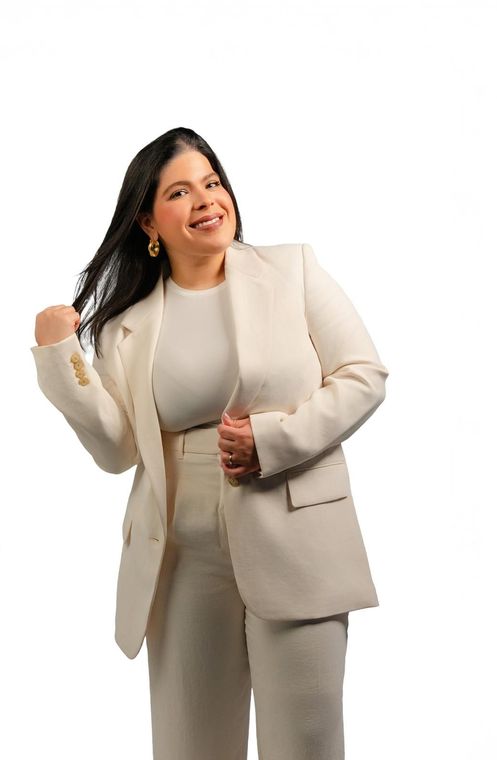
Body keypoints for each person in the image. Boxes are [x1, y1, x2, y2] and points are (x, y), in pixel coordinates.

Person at [30, 126, 389, 760]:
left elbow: (364, 376)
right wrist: (62, 359)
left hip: (293, 527)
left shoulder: (291, 269)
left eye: (212, 182)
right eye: (180, 191)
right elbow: (118, 449)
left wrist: (271, 441)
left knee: (305, 744)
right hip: (180, 546)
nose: (206, 200)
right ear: (149, 219)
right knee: (190, 746)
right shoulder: (126, 326)